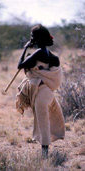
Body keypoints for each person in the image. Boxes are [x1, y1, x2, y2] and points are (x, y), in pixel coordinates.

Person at [16, 24, 65, 159]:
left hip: (41, 93)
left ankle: (44, 154)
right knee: (44, 119)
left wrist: (26, 48)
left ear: (37, 38)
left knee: (42, 120)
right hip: (48, 92)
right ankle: (45, 150)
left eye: (32, 37)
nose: (31, 39)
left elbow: (20, 65)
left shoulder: (38, 53)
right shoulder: (51, 56)